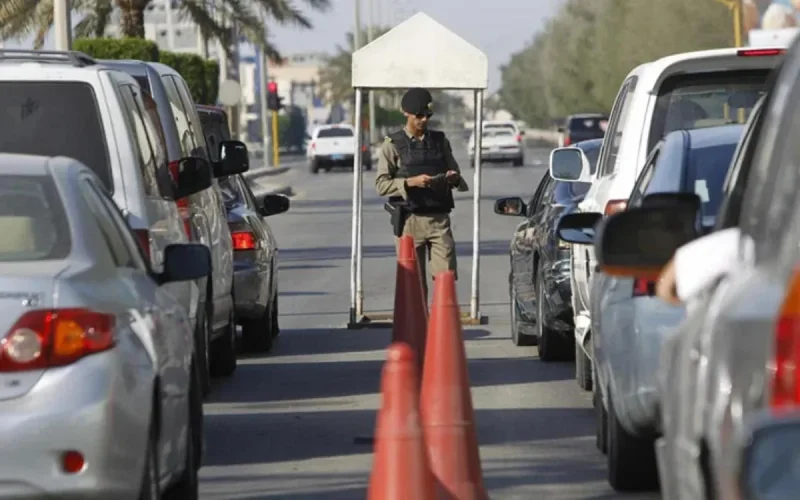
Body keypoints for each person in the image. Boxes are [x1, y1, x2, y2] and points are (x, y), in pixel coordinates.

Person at [375, 87, 468, 299]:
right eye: (419, 115)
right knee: (413, 283)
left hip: (438, 220)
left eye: (427, 115)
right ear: (406, 113)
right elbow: (381, 185)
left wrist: (453, 178)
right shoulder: (393, 144)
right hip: (409, 221)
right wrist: (410, 182)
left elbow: (457, 176)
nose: (424, 120)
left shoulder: (439, 141)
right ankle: (419, 320)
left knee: (446, 278)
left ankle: (442, 319)